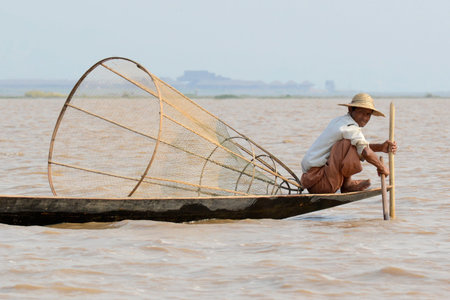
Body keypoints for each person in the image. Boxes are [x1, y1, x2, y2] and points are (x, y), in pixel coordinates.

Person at [301, 93, 397, 194]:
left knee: (350, 144)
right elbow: (366, 152)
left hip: (313, 180)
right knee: (346, 144)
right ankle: (347, 185)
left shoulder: (339, 121)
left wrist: (381, 147)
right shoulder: (350, 128)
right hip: (319, 182)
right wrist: (382, 168)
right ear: (350, 110)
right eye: (361, 112)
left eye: (368, 114)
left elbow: (361, 147)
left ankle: (347, 184)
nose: (365, 118)